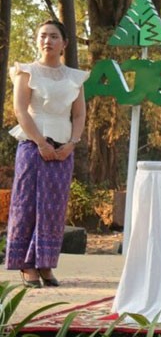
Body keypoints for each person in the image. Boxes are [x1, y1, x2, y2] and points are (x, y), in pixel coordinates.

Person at [5, 20, 88, 288]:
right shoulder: (25, 72)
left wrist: (72, 144)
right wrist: (41, 143)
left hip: (63, 148)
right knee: (26, 203)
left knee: (54, 207)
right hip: (33, 145)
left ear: (64, 43)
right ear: (36, 41)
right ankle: (26, 264)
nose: (47, 41)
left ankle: (45, 263)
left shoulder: (75, 77)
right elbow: (20, 110)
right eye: (42, 36)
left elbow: (79, 114)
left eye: (53, 36)